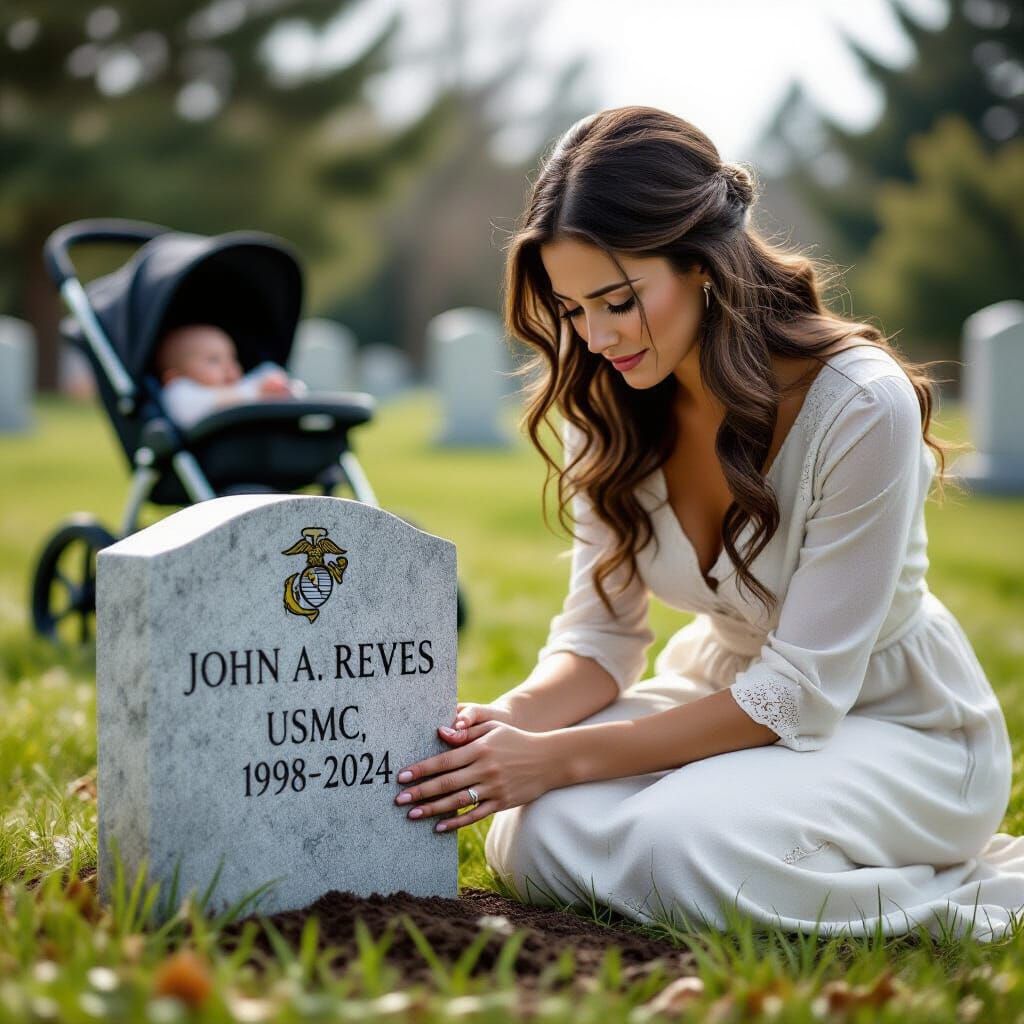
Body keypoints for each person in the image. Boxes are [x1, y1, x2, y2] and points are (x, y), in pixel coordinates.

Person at [390, 106, 1024, 942]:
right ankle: (736, 846)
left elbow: (800, 691)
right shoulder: (609, 403)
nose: (597, 336)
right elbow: (597, 643)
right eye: (573, 309)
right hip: (720, 689)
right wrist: (510, 728)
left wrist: (561, 757)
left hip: (890, 719)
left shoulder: (859, 404)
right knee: (531, 829)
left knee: (673, 842)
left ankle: (949, 884)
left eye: (618, 301)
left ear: (703, 266)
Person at [154, 323, 305, 429]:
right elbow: (199, 406)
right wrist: (256, 393)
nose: (228, 367)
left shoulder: (239, 387)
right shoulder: (178, 392)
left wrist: (275, 382)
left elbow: (264, 375)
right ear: (176, 376)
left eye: (233, 358)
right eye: (213, 360)